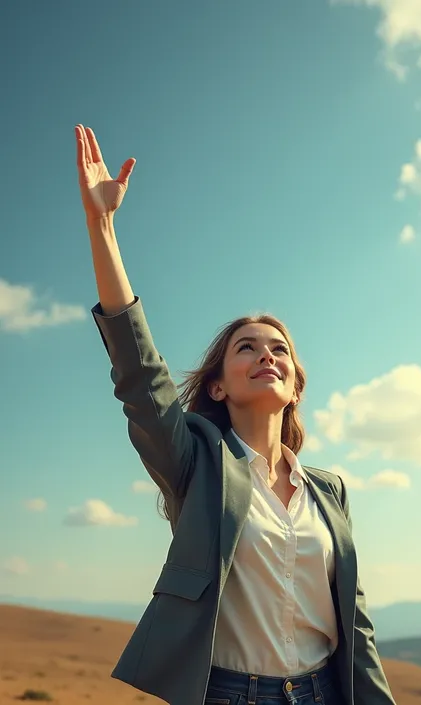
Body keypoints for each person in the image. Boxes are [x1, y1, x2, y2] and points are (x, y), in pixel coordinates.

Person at [75, 124, 396, 705]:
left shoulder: (329, 491)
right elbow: (142, 378)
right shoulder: (197, 462)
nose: (266, 354)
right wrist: (102, 228)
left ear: (296, 384)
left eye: (279, 349)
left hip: (327, 692)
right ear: (219, 387)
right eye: (245, 347)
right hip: (229, 694)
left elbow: (356, 624)